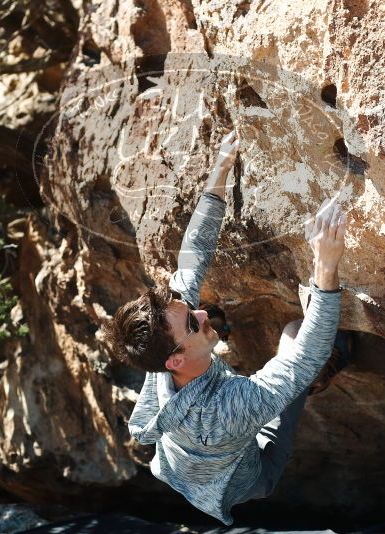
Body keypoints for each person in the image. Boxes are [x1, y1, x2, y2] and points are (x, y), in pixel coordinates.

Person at [101, 129, 348, 525]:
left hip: (188, 457)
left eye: (190, 311)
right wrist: (325, 265)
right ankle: (339, 362)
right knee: (294, 336)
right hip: (246, 477)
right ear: (176, 359)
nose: (200, 315)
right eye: (194, 325)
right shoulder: (228, 410)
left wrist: (220, 170)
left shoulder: (164, 347)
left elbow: (191, 261)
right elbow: (305, 357)